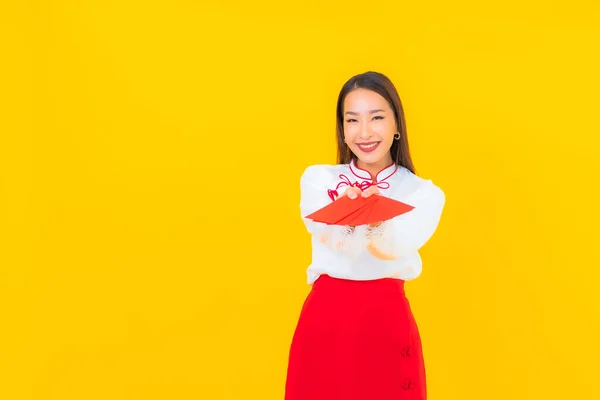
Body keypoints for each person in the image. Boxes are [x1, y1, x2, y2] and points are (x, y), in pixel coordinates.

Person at [284, 71, 446, 400]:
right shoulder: (318, 179)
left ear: (397, 125)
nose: (365, 132)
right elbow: (328, 233)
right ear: (342, 130)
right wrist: (355, 208)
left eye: (377, 118)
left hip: (386, 324)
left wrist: (370, 214)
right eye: (352, 120)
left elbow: (395, 246)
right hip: (325, 323)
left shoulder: (423, 194)